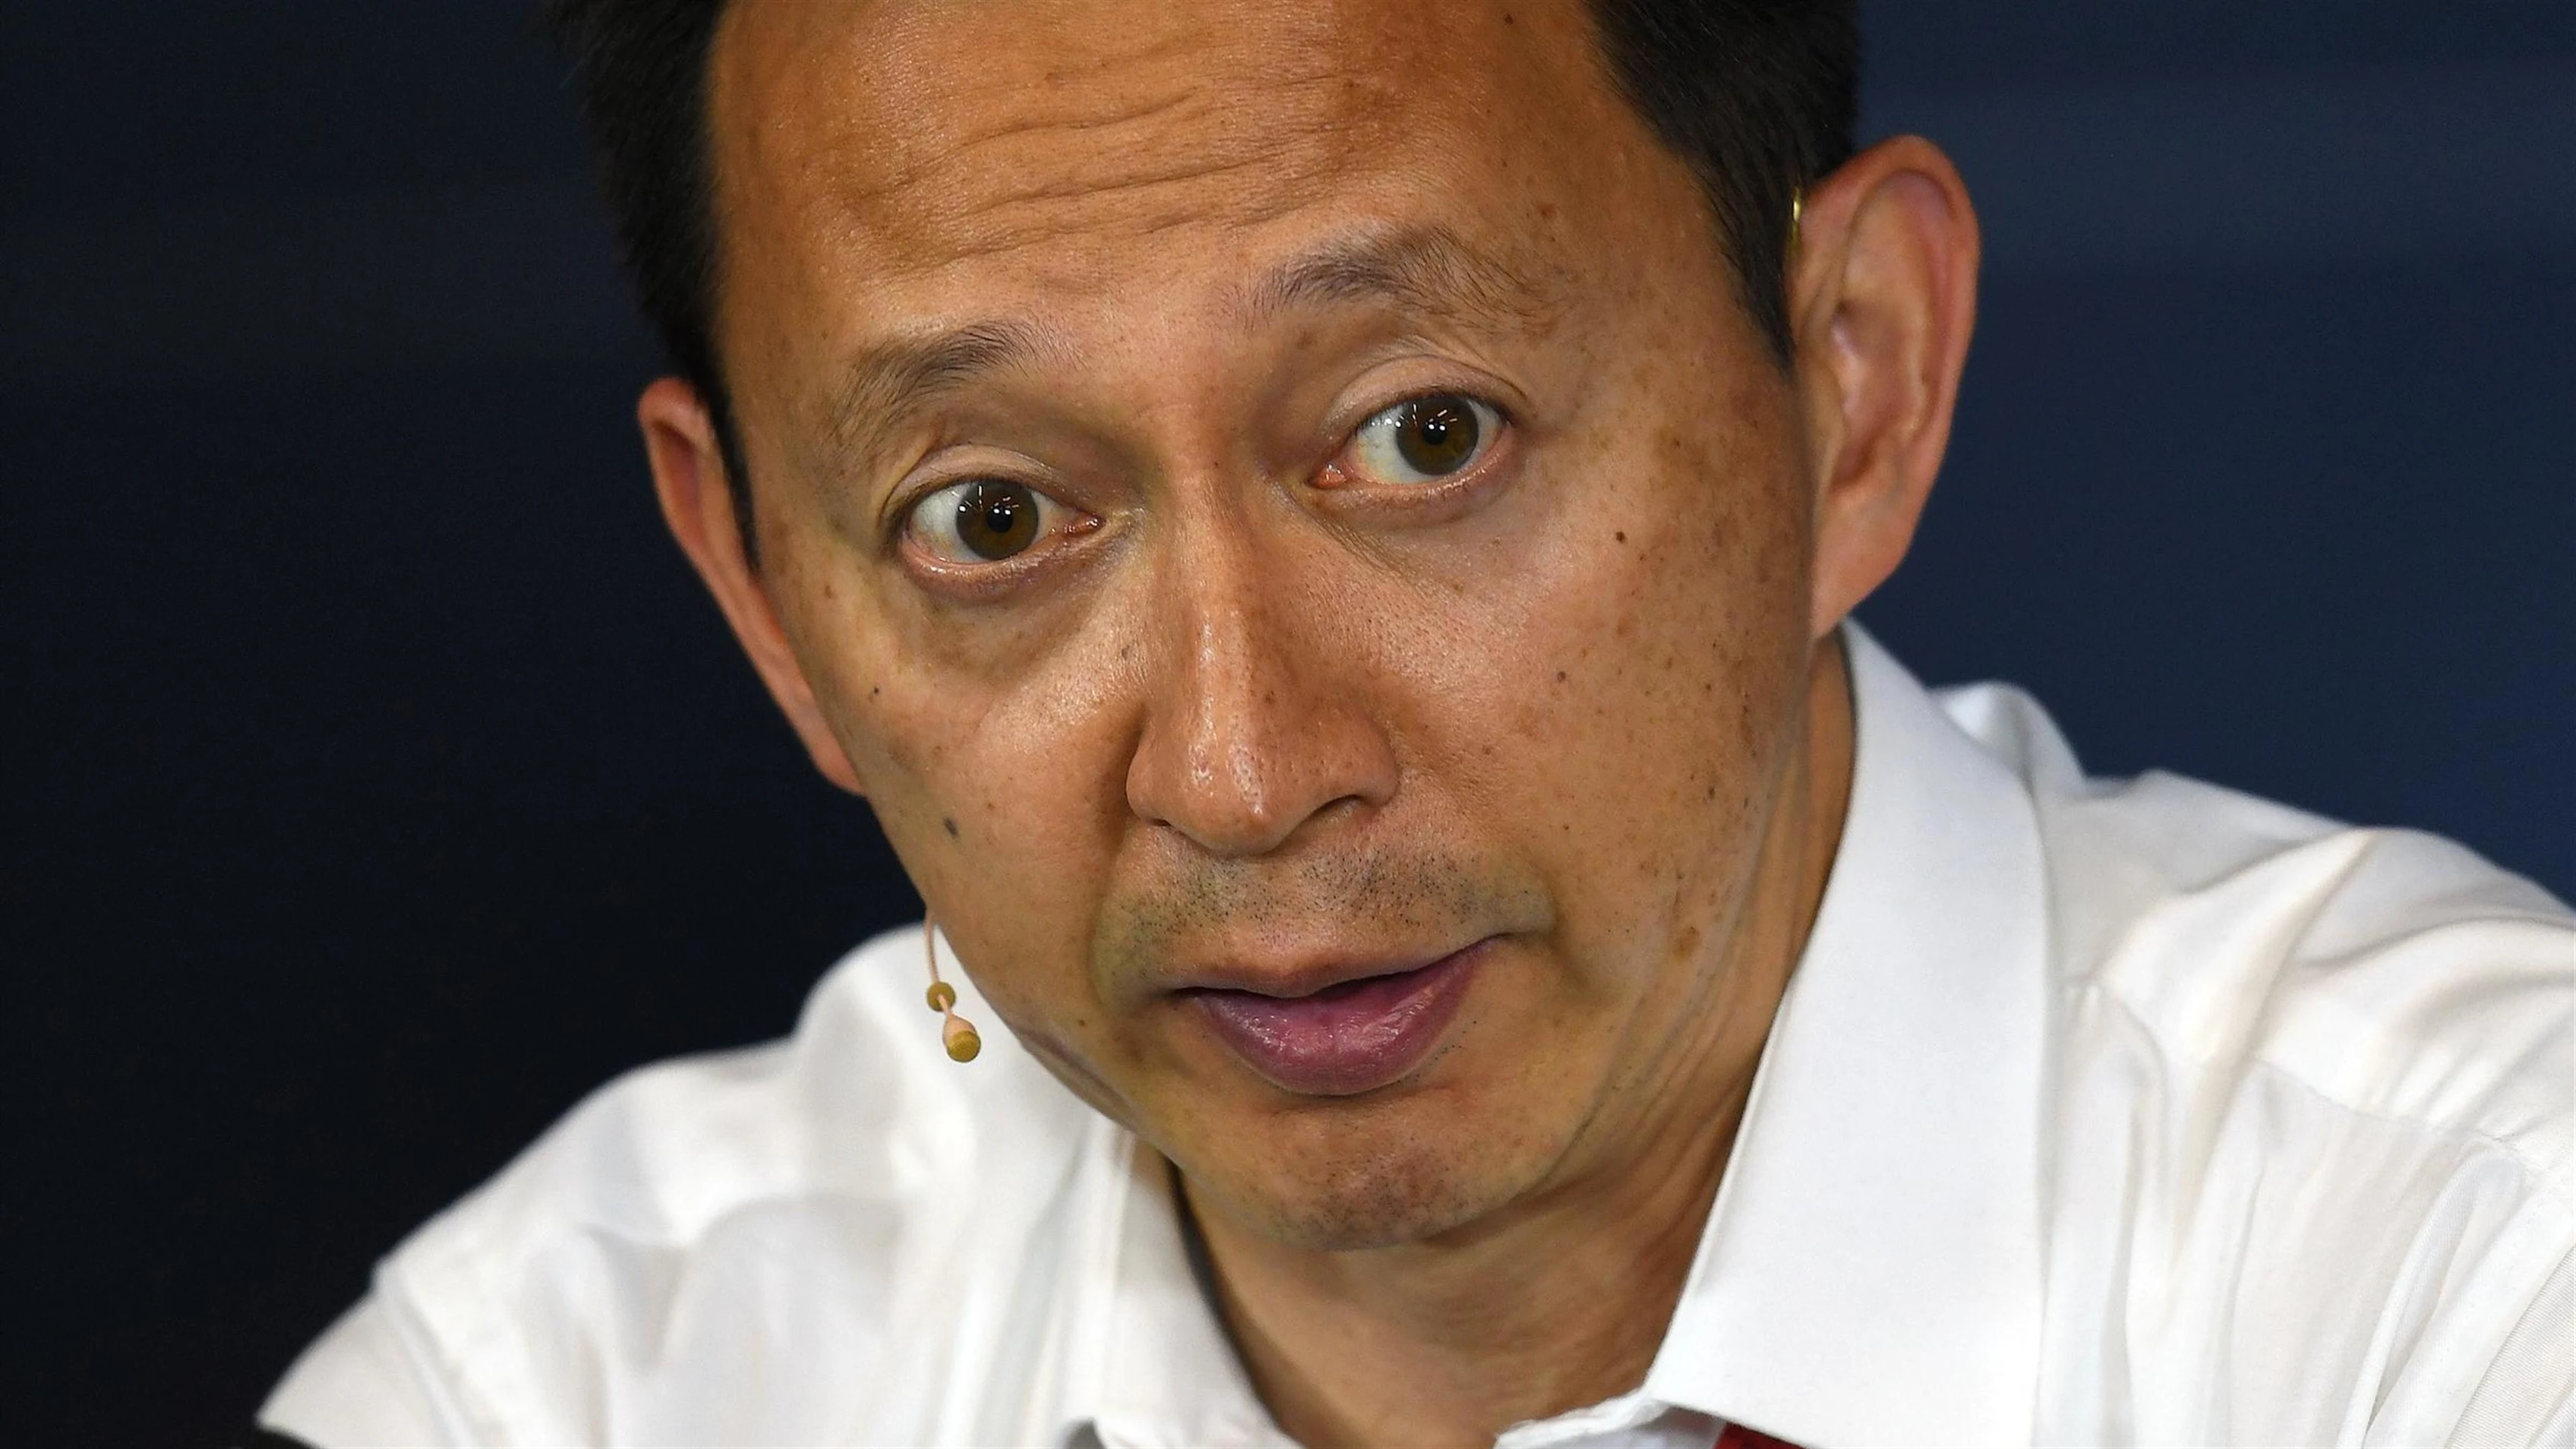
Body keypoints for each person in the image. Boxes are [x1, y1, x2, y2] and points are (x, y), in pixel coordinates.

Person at [254, 1, 2573, 1444]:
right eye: (989, 512)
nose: (1248, 770)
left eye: (1426, 435)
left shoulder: (2465, 1269)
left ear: (1852, 382)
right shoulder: (580, 1385)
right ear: (766, 593)